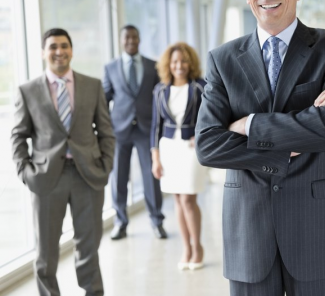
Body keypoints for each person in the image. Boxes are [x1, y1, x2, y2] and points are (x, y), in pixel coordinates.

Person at [195, 0, 325, 296]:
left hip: (319, 226)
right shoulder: (222, 60)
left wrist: (250, 125)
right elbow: (208, 145)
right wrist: (288, 145)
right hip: (249, 228)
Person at [11, 28, 115, 296]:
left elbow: (106, 130)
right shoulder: (27, 91)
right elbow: (19, 136)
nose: (59, 52)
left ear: (71, 49)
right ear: (44, 52)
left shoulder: (92, 85)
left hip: (88, 175)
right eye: (53, 47)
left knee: (89, 246)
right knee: (46, 251)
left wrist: (106, 164)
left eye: (64, 46)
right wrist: (26, 172)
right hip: (46, 179)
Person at [103, 25, 166, 240]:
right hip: (119, 131)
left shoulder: (153, 66)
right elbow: (105, 99)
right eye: (127, 37)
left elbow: (160, 99)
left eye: (134, 37)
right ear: (121, 40)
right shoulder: (110, 67)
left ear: (139, 40)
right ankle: (120, 222)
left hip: (146, 130)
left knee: (151, 176)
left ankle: (157, 221)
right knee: (119, 178)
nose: (131, 41)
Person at [150, 42, 208, 271]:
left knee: (188, 200)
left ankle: (198, 247)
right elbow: (155, 126)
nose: (179, 66)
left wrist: (201, 135)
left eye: (183, 61)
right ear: (168, 64)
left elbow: (211, 115)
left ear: (190, 63)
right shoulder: (160, 90)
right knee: (176, 200)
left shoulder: (200, 87)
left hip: (191, 148)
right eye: (175, 62)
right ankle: (186, 248)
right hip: (168, 149)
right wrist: (155, 158)